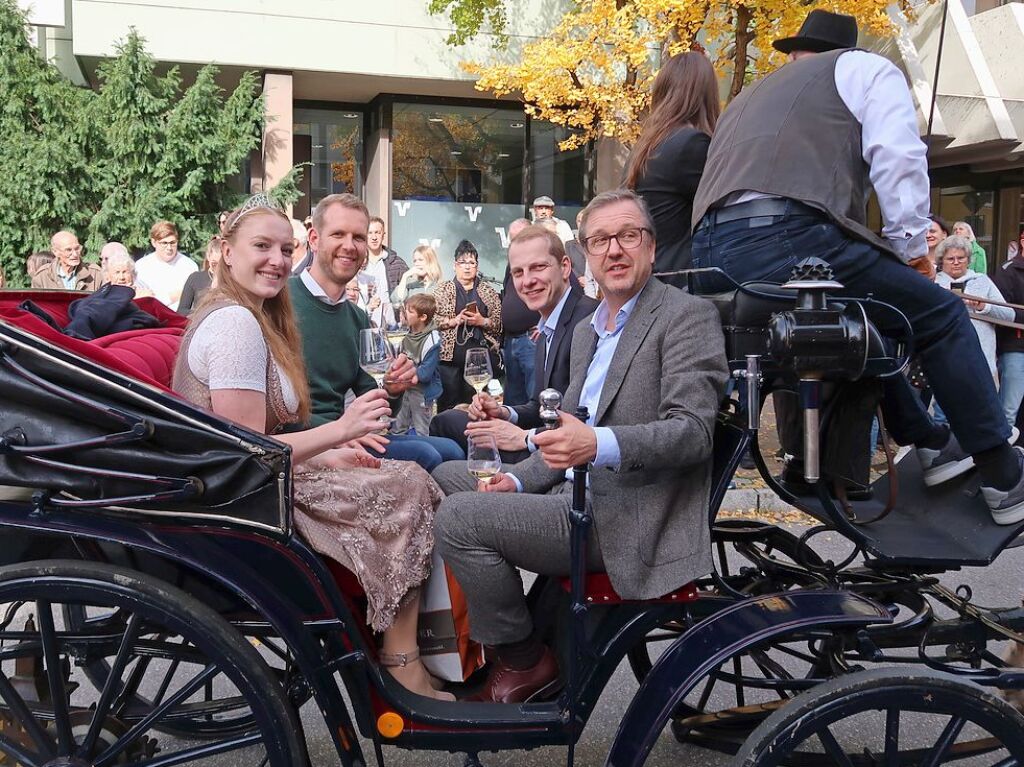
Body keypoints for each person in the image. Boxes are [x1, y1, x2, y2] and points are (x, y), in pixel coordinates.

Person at [689, 9, 1024, 524]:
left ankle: (931, 444)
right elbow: (898, 156)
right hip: (789, 236)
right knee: (940, 316)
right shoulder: (863, 69)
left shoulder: (748, 99)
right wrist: (912, 248)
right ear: (846, 50)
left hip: (709, 254)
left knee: (868, 327)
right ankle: (1003, 478)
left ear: (798, 53)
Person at [431, 190, 727, 703]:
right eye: (600, 240)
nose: (614, 250)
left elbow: (694, 433)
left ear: (651, 248)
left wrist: (597, 444)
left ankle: (524, 661)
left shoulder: (685, 316)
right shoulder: (591, 330)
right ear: (586, 253)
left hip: (624, 516)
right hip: (571, 494)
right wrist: (519, 478)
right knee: (442, 478)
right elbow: (562, 433)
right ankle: (468, 636)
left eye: (627, 236)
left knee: (460, 518)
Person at [171, 195, 451, 701]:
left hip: (254, 480)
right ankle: (402, 658)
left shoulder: (252, 316)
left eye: (283, 248)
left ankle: (422, 643)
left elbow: (260, 438)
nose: (276, 260)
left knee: (417, 472)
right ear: (225, 252)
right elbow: (249, 450)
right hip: (244, 500)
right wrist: (341, 433)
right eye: (261, 247)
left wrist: (328, 451)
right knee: (411, 482)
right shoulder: (236, 324)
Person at [289, 193, 464, 472]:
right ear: (314, 239)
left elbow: (376, 402)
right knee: (428, 455)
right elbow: (275, 408)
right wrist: (339, 431)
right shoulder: (283, 303)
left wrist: (393, 390)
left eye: (358, 237)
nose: (349, 246)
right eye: (338, 234)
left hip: (347, 435)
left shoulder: (356, 318)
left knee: (454, 448)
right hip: (305, 441)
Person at [431, 225, 599, 462]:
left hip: (558, 461)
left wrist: (523, 438)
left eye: (538, 267)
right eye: (518, 273)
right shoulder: (547, 327)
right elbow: (539, 407)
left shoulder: (588, 322)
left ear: (565, 267)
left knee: (446, 434)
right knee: (446, 420)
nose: (527, 281)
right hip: (539, 443)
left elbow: (583, 425)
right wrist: (503, 412)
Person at [626, 50, 720, 287]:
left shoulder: (645, 148)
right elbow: (721, 211)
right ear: (707, 94)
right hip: (680, 282)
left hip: (651, 276)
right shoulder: (691, 144)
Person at [434, 240, 503, 412]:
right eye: (462, 262)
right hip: (449, 360)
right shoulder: (442, 290)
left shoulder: (488, 292)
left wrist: (482, 321)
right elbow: (431, 319)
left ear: (477, 266)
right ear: (454, 265)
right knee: (448, 407)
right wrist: (453, 321)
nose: (467, 267)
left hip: (479, 358)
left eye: (471, 263)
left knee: (476, 406)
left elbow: (500, 324)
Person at [935, 235, 1011, 377]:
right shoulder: (933, 284)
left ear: (968, 260)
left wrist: (984, 307)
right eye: (951, 259)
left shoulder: (983, 281)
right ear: (941, 262)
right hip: (944, 360)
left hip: (981, 362)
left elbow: (1009, 315)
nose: (956, 262)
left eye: (961, 258)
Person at [498, 218, 538, 407]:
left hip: (531, 339)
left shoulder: (544, 263)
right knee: (513, 401)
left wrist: (546, 324)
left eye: (520, 238)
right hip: (511, 340)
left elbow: (566, 296)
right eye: (513, 239)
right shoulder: (511, 265)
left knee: (534, 398)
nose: (516, 244)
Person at [394, 293, 442, 436]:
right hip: (404, 389)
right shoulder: (403, 333)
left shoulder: (432, 341)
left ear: (422, 317)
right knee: (398, 426)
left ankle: (423, 455)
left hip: (422, 392)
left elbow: (425, 374)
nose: (404, 314)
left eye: (410, 311)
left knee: (422, 429)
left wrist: (405, 370)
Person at [994, 231, 1024, 429]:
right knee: (1009, 410)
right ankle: (1001, 458)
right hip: (1015, 345)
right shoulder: (1008, 270)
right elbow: (1000, 309)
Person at [135, 221, 198, 311]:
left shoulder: (189, 266)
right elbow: (141, 299)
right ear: (154, 242)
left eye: (172, 243)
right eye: (164, 243)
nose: (169, 248)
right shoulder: (141, 267)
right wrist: (172, 297)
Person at [31, 231, 102, 291]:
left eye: (77, 248)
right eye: (68, 250)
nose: (75, 254)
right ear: (55, 252)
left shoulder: (95, 274)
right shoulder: (42, 276)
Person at [177, 236, 223, 315]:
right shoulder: (195, 278)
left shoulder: (234, 279)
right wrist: (203, 313)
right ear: (208, 257)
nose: (218, 269)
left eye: (222, 265)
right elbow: (181, 311)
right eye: (214, 264)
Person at [366, 216, 409, 297]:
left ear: (383, 235)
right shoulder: (356, 263)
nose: (374, 237)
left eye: (377, 232)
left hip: (390, 309)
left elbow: (409, 289)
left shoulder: (397, 263)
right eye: (370, 233)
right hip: (362, 310)